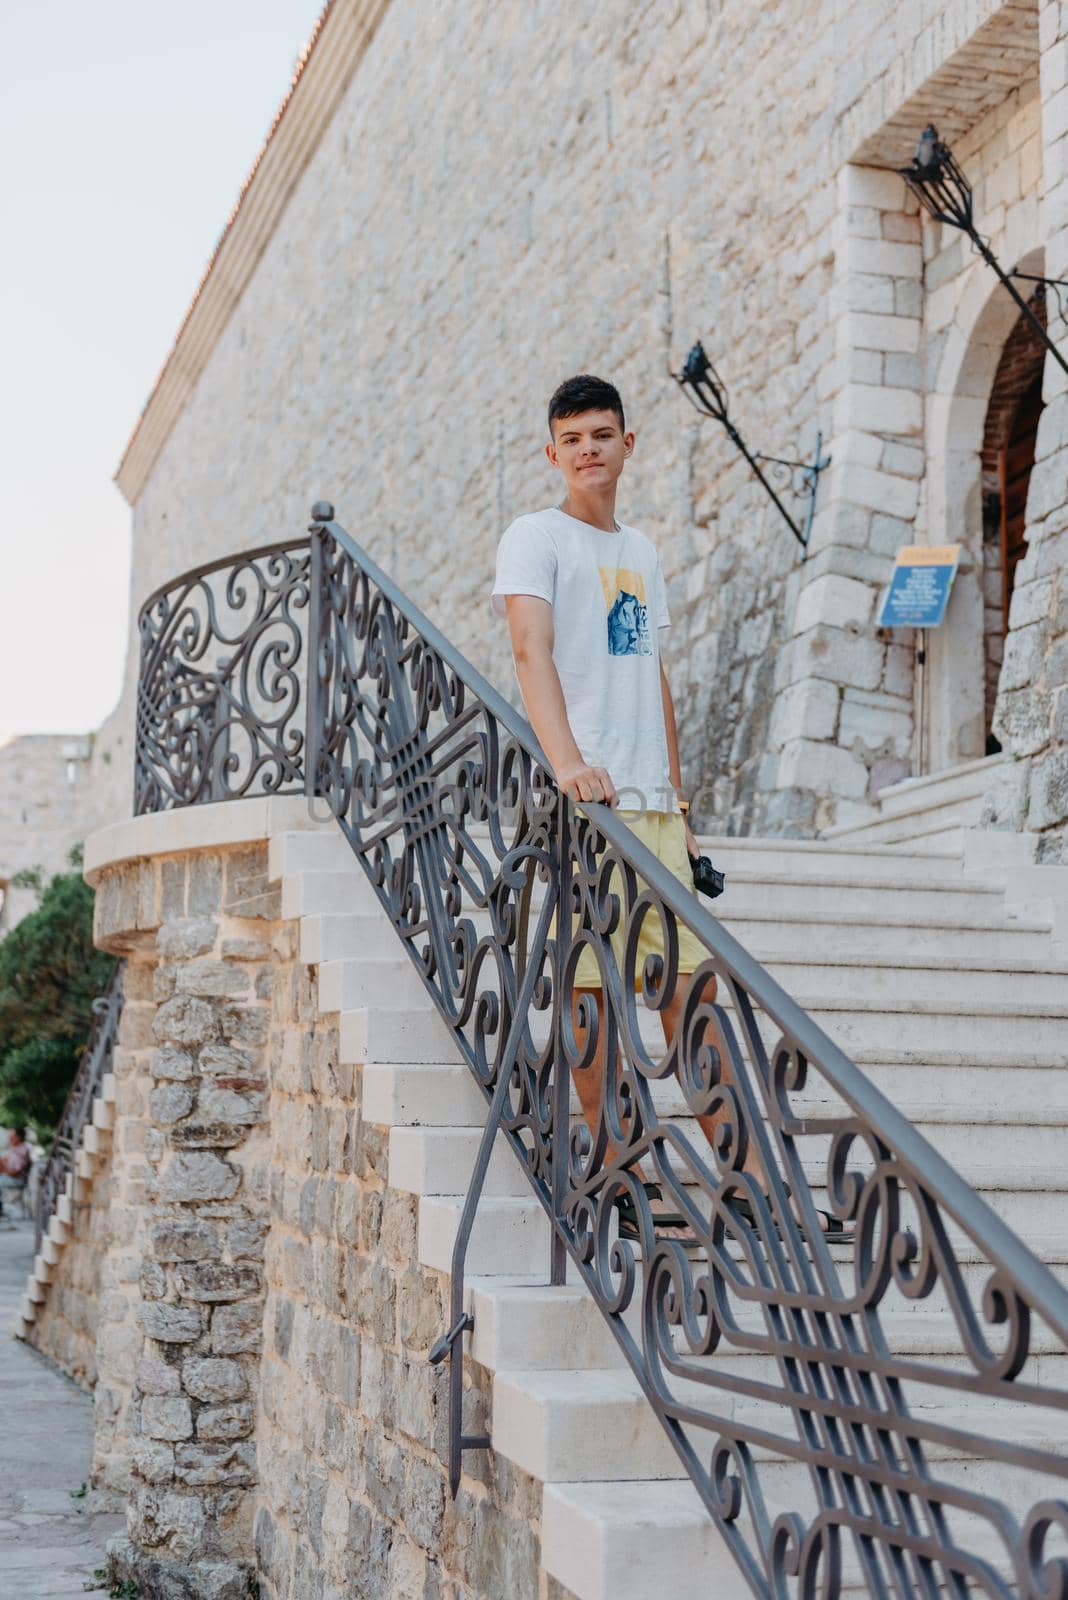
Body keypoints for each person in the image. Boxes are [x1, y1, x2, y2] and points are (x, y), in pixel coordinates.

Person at [491, 374, 848, 1245]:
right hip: (583, 805)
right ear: (553, 452)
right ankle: (621, 1171)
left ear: (627, 444)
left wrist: (678, 803)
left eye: (602, 434)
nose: (588, 449)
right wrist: (569, 763)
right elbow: (529, 650)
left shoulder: (641, 552)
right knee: (591, 994)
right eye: (572, 437)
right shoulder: (534, 537)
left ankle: (756, 1181)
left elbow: (649, 676)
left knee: (690, 997)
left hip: (649, 808)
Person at [0, 1126, 31, 1218]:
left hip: (17, 1180)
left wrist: (3, 1166)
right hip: (9, 1178)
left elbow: (15, 1172)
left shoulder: (22, 1150)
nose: (10, 1138)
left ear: (19, 1137)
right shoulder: (14, 1150)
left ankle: (1, 1208)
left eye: (12, 1136)